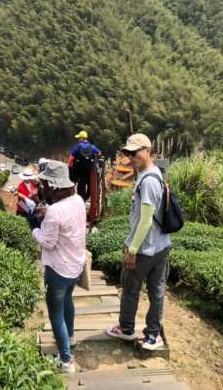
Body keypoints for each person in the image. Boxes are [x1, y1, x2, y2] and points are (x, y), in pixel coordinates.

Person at [105, 133, 170, 351]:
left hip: (145, 248)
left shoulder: (149, 180)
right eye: (128, 153)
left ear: (147, 151)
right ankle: (153, 335)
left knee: (131, 287)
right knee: (156, 290)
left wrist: (132, 249)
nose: (131, 156)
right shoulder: (154, 174)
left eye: (135, 152)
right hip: (160, 245)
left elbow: (146, 221)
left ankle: (126, 328)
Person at [32, 160, 86, 374]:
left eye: (44, 185)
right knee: (67, 301)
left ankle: (65, 361)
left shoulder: (54, 211)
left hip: (58, 269)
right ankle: (70, 337)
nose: (42, 188)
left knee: (55, 313)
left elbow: (47, 242)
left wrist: (34, 229)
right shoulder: (78, 200)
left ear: (53, 187)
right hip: (76, 265)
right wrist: (49, 216)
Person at [68, 131, 101, 201]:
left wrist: (70, 165)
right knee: (86, 183)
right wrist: (94, 158)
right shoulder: (92, 147)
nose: (78, 139)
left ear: (82, 138)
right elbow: (99, 152)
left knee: (78, 183)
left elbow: (71, 158)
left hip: (78, 169)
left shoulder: (77, 146)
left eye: (79, 138)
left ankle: (76, 197)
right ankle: (86, 197)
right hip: (88, 169)